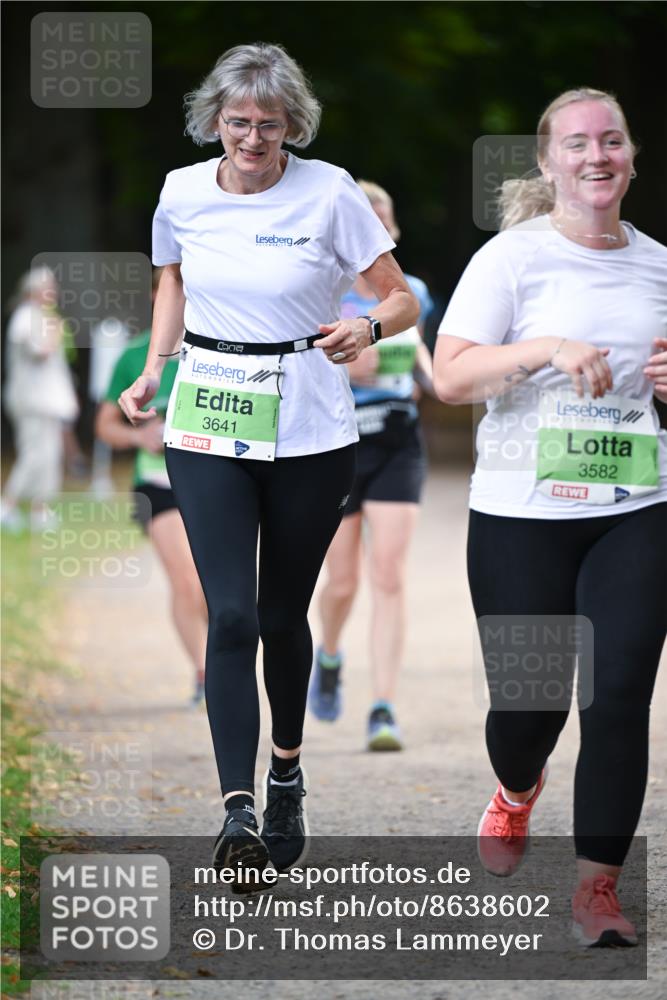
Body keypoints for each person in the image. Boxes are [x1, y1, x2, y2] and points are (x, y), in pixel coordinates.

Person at [117, 42, 418, 883]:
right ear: (214, 120)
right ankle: (236, 810)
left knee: (285, 617)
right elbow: (170, 286)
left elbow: (395, 294)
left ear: (293, 126)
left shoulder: (329, 191)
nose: (252, 139)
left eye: (270, 125)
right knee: (234, 616)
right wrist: (152, 369)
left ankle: (286, 769)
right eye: (239, 123)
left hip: (310, 427)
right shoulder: (181, 191)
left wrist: (371, 327)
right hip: (208, 414)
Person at [434, 88, 667, 948]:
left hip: (633, 508)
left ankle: (596, 891)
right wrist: (544, 351)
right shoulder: (511, 259)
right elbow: (450, 377)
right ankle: (515, 789)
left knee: (616, 699)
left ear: (631, 156)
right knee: (529, 708)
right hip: (519, 512)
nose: (596, 156)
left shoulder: (658, 266)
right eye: (576, 144)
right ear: (547, 163)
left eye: (611, 141)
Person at [309, 181, 434, 751]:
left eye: (383, 220)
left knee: (388, 575)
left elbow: (424, 361)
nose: (374, 229)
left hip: (397, 442)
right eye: (366, 220)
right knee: (342, 582)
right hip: (338, 444)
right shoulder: (322, 292)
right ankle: (329, 656)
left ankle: (383, 706)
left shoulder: (414, 294)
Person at [95, 269, 208, 705]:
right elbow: (104, 426)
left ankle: (220, 658)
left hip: (213, 482)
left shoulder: (219, 348)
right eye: (168, 291)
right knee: (184, 579)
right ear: (155, 298)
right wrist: (139, 437)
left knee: (210, 584)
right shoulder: (134, 356)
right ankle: (203, 674)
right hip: (156, 485)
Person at [1, 266, 79, 533]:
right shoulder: (25, 316)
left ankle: (39, 510)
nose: (54, 293)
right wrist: (56, 331)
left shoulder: (42, 317)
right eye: (49, 288)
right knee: (34, 456)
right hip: (30, 401)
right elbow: (40, 351)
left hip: (48, 402)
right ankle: (7, 506)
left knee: (49, 456)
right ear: (35, 291)